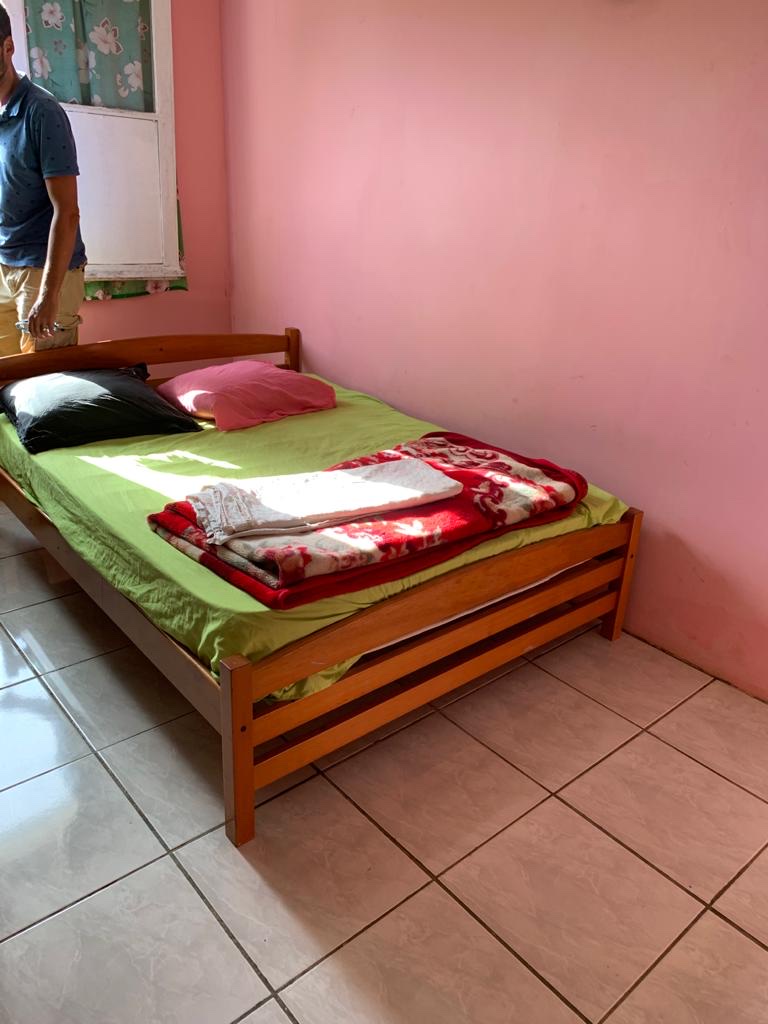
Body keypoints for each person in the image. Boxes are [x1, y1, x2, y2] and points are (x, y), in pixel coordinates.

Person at [0, 3, 86, 357]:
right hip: (6, 266)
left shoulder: (41, 111)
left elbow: (67, 211)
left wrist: (49, 296)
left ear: (8, 47)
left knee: (46, 384)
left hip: (41, 272)